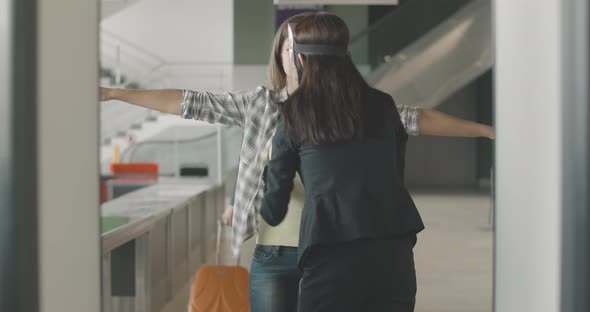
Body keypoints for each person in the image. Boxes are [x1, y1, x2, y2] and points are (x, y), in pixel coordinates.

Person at [100, 13, 495, 312]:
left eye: (300, 48)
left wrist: (487, 131)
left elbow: (418, 119)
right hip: (277, 251)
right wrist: (117, 93)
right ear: (282, 56)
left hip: (335, 247)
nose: (295, 55)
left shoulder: (355, 107)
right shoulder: (261, 106)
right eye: (289, 48)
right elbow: (187, 102)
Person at [259, 13, 427, 311]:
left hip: (330, 251)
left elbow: (273, 211)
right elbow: (395, 173)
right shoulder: (383, 104)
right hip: (394, 252)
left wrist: (267, 174)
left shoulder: (294, 113)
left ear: (299, 59)